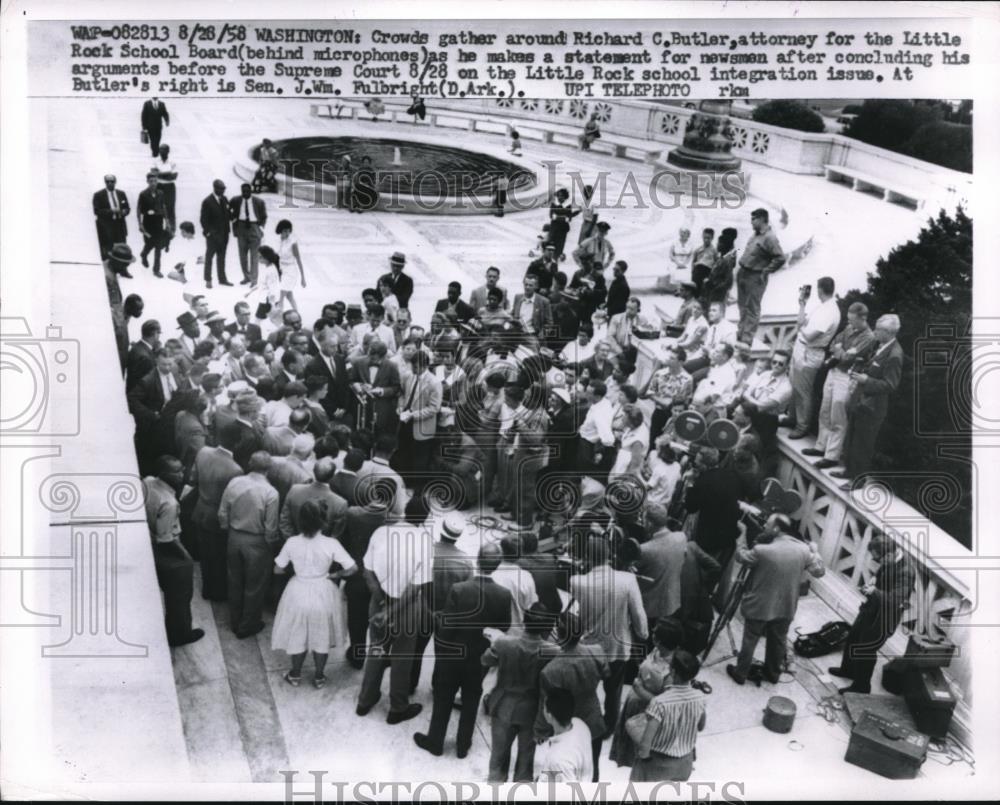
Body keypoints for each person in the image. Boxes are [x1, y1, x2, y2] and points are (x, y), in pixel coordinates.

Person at [413, 544, 512, 758]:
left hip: (453, 656)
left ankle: (435, 741)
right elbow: (504, 626)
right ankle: (462, 745)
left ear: (477, 560)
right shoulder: (504, 595)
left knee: (443, 698)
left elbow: (447, 628)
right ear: (496, 566)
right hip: (479, 657)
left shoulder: (459, 590)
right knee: (471, 699)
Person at [727, 513, 825, 685]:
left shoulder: (762, 551)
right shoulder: (803, 550)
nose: (764, 527)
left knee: (750, 639)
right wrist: (815, 552)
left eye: (768, 525)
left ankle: (740, 673)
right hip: (786, 606)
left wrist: (741, 533)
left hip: (760, 605)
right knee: (778, 641)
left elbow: (741, 556)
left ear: (777, 529)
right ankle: (773, 674)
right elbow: (819, 572)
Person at [356, 516, 433, 725]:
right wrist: (392, 611)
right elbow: (415, 588)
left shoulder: (380, 532)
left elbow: (368, 572)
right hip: (406, 608)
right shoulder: (424, 541)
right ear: (424, 519)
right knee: (402, 657)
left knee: (376, 649)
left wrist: (382, 605)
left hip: (379, 600)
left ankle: (365, 700)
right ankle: (398, 708)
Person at [272, 499, 356, 689]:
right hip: (324, 592)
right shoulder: (331, 543)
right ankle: (319, 676)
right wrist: (335, 574)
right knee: (321, 636)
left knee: (298, 635)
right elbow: (352, 568)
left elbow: (277, 569)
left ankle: (295, 674)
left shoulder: (292, 542)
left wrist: (296, 571)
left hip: (298, 591)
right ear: (323, 520)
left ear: (300, 521)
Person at [571, 537, 649, 738]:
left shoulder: (577, 582)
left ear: (587, 557)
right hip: (617, 647)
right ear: (609, 556)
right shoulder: (628, 580)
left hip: (589, 647)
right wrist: (643, 634)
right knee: (613, 692)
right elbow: (639, 615)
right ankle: (609, 726)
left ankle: (581, 723)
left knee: (586, 690)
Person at [829, 532, 916, 694]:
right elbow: (882, 570)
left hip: (883, 619)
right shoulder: (890, 559)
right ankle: (848, 670)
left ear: (889, 554)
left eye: (877, 559)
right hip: (871, 609)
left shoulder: (907, 572)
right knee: (853, 637)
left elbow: (896, 600)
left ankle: (861, 686)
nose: (876, 562)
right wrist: (875, 578)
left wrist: (874, 591)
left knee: (866, 650)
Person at [482, 603, 556, 782]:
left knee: (498, 758)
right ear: (546, 627)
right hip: (531, 712)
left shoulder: (504, 643)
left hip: (502, 706)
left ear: (524, 621)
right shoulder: (552, 651)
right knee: (525, 762)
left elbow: (485, 660)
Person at [831, 314, 905, 491]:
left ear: (888, 332)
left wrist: (866, 380)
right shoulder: (881, 345)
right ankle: (849, 471)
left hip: (873, 408)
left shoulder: (895, 354)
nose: (874, 332)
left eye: (878, 330)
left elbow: (890, 385)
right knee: (853, 438)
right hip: (862, 402)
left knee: (863, 444)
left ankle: (858, 480)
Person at [535, 612, 609, 781]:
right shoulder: (597, 652)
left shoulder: (550, 671)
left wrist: (540, 732)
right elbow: (607, 675)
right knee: (591, 769)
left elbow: (545, 706)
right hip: (593, 721)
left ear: (560, 637)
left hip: (568, 728)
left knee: (567, 772)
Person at [803, 302, 876, 470]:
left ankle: (832, 455)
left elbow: (847, 358)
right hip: (833, 372)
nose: (849, 323)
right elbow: (834, 344)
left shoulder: (869, 337)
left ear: (862, 318)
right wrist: (843, 351)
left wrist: (841, 351)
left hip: (846, 376)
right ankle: (820, 447)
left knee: (838, 415)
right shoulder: (849, 329)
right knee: (825, 410)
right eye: (848, 320)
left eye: (852, 320)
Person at [143, 456, 204, 647]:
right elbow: (166, 538)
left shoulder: (148, 481)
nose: (181, 474)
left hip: (150, 541)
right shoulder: (169, 503)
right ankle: (180, 634)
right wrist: (186, 556)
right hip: (168, 552)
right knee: (180, 597)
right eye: (176, 471)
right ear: (164, 473)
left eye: (181, 469)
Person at [610, 618, 685, 767]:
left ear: (659, 641)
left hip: (646, 714)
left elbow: (664, 705)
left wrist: (640, 690)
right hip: (634, 704)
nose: (651, 633)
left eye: (655, 633)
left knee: (637, 749)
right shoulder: (658, 651)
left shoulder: (671, 673)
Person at [629, 651, 707, 782]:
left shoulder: (660, 703)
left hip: (657, 763)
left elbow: (645, 746)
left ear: (673, 672)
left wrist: (645, 759)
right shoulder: (700, 697)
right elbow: (701, 726)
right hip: (684, 763)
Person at [787, 277, 841, 439]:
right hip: (802, 348)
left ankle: (802, 425)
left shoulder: (830, 311)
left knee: (804, 390)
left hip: (810, 353)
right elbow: (802, 322)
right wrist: (802, 304)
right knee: (795, 386)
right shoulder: (822, 306)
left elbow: (810, 334)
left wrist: (801, 327)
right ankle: (792, 418)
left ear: (819, 289)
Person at [683, 447, 743, 564]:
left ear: (704, 466)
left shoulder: (703, 481)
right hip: (730, 536)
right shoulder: (731, 475)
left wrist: (690, 483)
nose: (695, 466)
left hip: (709, 537)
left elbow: (690, 507)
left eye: (697, 464)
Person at [739, 349, 793, 477]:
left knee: (755, 454)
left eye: (780, 363)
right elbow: (745, 392)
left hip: (766, 422)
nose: (776, 365)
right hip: (750, 412)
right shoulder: (765, 375)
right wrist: (753, 400)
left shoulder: (786, 387)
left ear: (787, 366)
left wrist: (751, 399)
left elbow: (763, 407)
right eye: (774, 362)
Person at [736, 208, 786, 344]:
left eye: (754, 219)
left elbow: (780, 258)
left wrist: (766, 271)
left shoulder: (770, 237)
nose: (751, 222)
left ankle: (746, 339)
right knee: (742, 306)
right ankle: (740, 333)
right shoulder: (755, 235)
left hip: (755, 276)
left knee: (752, 308)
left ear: (762, 219)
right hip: (744, 273)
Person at [395, 350, 442, 487]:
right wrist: (401, 407)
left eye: (415, 367)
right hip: (405, 423)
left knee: (420, 459)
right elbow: (403, 394)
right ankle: (406, 483)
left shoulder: (434, 382)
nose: (413, 369)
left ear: (424, 366)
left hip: (422, 426)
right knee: (404, 453)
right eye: (412, 366)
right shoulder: (408, 376)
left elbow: (434, 408)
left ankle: (418, 487)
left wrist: (413, 415)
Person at [635, 504, 687, 625]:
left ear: (649, 524)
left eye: (643, 520)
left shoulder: (645, 550)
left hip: (649, 607)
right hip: (671, 602)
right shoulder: (681, 537)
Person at [643, 346, 692, 448]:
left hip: (675, 416)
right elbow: (650, 393)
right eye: (669, 357)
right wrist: (662, 402)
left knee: (669, 445)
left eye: (672, 358)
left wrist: (674, 405)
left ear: (681, 362)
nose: (668, 360)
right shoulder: (659, 374)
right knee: (653, 440)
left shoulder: (687, 379)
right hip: (659, 412)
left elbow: (687, 399)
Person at [230, 183, 267, 285]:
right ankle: (246, 277)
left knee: (254, 256)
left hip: (254, 228)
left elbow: (264, 216)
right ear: (241, 191)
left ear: (251, 191)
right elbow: (228, 209)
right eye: (243, 191)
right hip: (241, 229)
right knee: (242, 255)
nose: (245, 193)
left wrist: (261, 228)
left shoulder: (259, 202)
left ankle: (254, 280)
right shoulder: (236, 200)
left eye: (247, 191)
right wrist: (233, 219)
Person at [137, 171, 168, 277]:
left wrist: (167, 221)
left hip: (158, 222)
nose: (153, 183)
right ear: (147, 182)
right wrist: (140, 224)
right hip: (148, 223)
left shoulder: (161, 193)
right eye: (151, 181)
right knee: (149, 243)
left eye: (155, 181)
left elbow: (164, 207)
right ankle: (144, 254)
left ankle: (156, 269)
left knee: (158, 247)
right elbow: (139, 209)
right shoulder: (143, 194)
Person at [93, 174, 130, 261]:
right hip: (107, 226)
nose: (110, 183)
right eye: (107, 182)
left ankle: (122, 269)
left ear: (115, 182)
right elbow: (97, 211)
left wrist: (125, 211)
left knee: (121, 248)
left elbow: (127, 207)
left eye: (112, 181)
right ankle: (110, 271)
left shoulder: (121, 193)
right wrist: (112, 211)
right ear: (105, 182)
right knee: (108, 248)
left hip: (120, 224)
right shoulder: (98, 195)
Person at [705, 227, 738, 307]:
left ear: (724, 245)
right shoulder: (723, 257)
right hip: (715, 289)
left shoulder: (728, 258)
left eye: (719, 243)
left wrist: (715, 287)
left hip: (718, 292)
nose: (717, 244)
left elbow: (727, 281)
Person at [151, 144, 178, 237]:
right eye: (160, 150)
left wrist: (160, 173)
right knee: (158, 207)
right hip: (159, 186)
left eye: (164, 150)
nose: (162, 152)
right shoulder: (155, 161)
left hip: (169, 187)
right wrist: (167, 174)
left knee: (170, 208)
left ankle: (171, 229)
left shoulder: (172, 162)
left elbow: (174, 176)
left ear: (168, 151)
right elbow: (153, 174)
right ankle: (157, 229)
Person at [690, 227, 718, 299]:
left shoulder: (714, 251)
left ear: (712, 238)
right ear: (702, 236)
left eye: (708, 238)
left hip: (707, 272)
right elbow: (694, 261)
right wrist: (692, 271)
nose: (706, 240)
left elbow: (716, 263)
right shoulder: (698, 249)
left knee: (704, 292)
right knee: (695, 290)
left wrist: (711, 276)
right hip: (697, 271)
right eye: (704, 237)